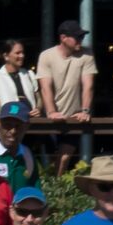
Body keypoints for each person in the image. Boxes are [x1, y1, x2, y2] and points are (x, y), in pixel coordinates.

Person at [38, 20, 96, 165]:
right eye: (77, 37)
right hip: (50, 117)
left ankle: (58, 185)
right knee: (50, 162)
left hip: (73, 117)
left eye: (82, 37)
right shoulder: (46, 56)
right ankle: (51, 186)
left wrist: (85, 110)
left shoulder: (87, 54)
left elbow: (88, 85)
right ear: (63, 38)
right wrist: (51, 112)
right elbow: (45, 87)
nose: (80, 40)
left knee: (64, 159)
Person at [0, 101, 39, 192]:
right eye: (8, 125)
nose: (13, 131)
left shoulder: (27, 155)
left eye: (18, 126)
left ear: (27, 126)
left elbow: (35, 190)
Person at [0, 38, 40, 114]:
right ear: (6, 56)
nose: (22, 56)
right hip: (8, 121)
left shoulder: (29, 74)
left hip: (30, 120)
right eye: (17, 53)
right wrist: (8, 116)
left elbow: (38, 97)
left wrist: (38, 109)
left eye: (22, 52)